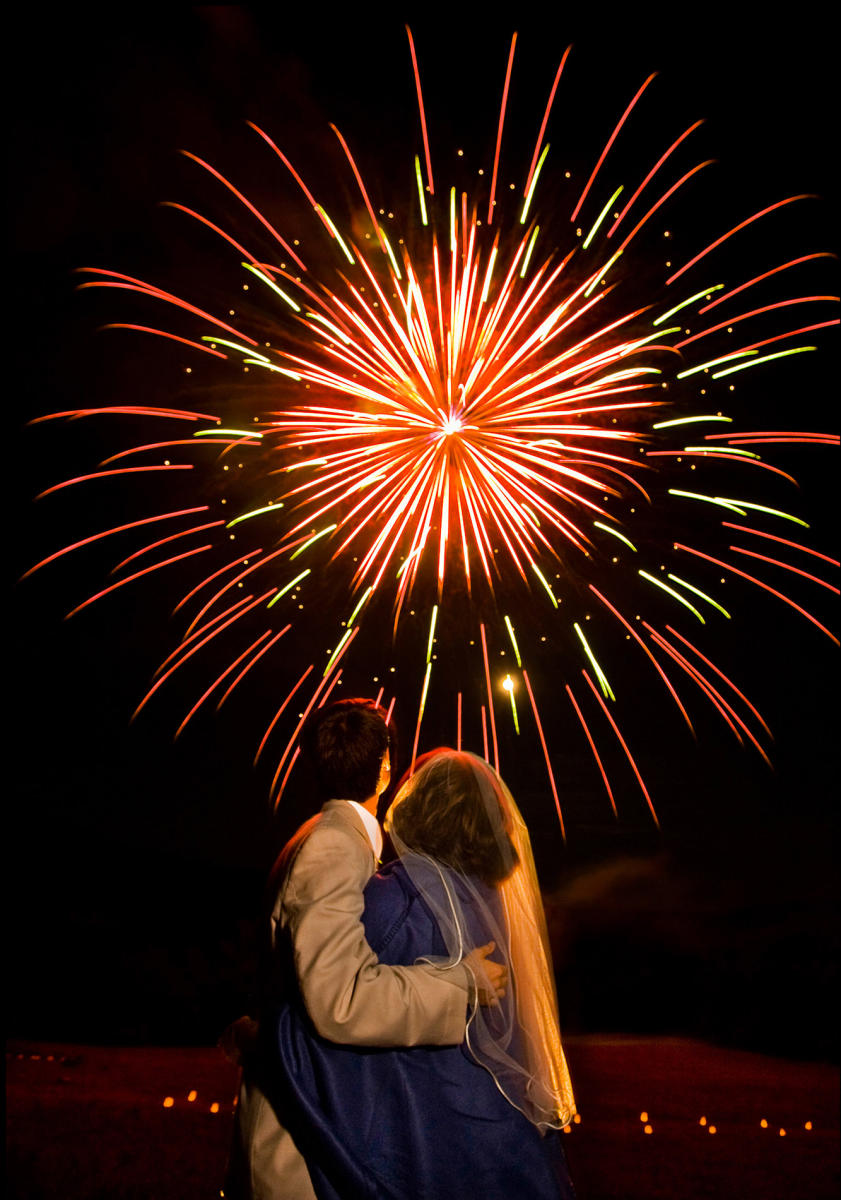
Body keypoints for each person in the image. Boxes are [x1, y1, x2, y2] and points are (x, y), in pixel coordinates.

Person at [265, 748, 577, 1200]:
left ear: (418, 811)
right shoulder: (496, 908)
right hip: (501, 1138)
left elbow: (334, 1007)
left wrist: (267, 1032)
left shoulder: (394, 901)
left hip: (427, 1141)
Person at [224, 703, 508, 1200]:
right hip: (297, 1144)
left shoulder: (330, 838)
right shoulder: (333, 847)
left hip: (313, 1118)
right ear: (384, 768)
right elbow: (342, 1000)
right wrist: (461, 983)